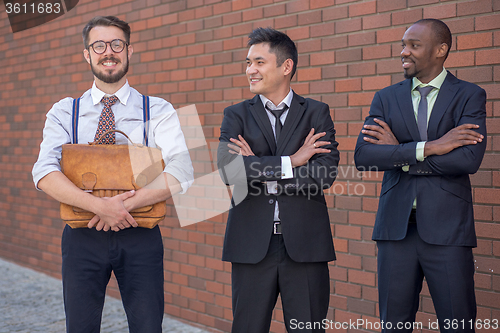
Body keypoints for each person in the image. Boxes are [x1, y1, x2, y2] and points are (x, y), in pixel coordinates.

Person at [32, 16, 193, 333]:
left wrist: (121, 207)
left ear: (130, 51)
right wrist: (98, 206)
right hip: (81, 236)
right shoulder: (65, 110)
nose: (109, 52)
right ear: (87, 54)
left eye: (117, 44)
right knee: (80, 328)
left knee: (148, 328)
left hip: (141, 234)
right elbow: (43, 171)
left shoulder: (159, 109)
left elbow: (185, 169)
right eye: (99, 45)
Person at [355, 19, 486, 332]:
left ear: (441, 50)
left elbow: (468, 160)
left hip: (449, 232)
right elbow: (364, 157)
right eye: (403, 44)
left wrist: (400, 155)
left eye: (414, 45)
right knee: (394, 326)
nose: (404, 52)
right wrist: (434, 146)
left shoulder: (469, 95)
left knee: (458, 325)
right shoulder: (385, 98)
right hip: (394, 232)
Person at [217, 27, 339, 332]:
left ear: (286, 67)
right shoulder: (236, 115)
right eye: (247, 63)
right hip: (251, 245)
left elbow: (324, 174)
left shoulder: (316, 113)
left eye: (259, 62)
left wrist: (256, 166)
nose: (250, 70)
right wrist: (293, 162)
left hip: (306, 246)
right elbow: (229, 172)